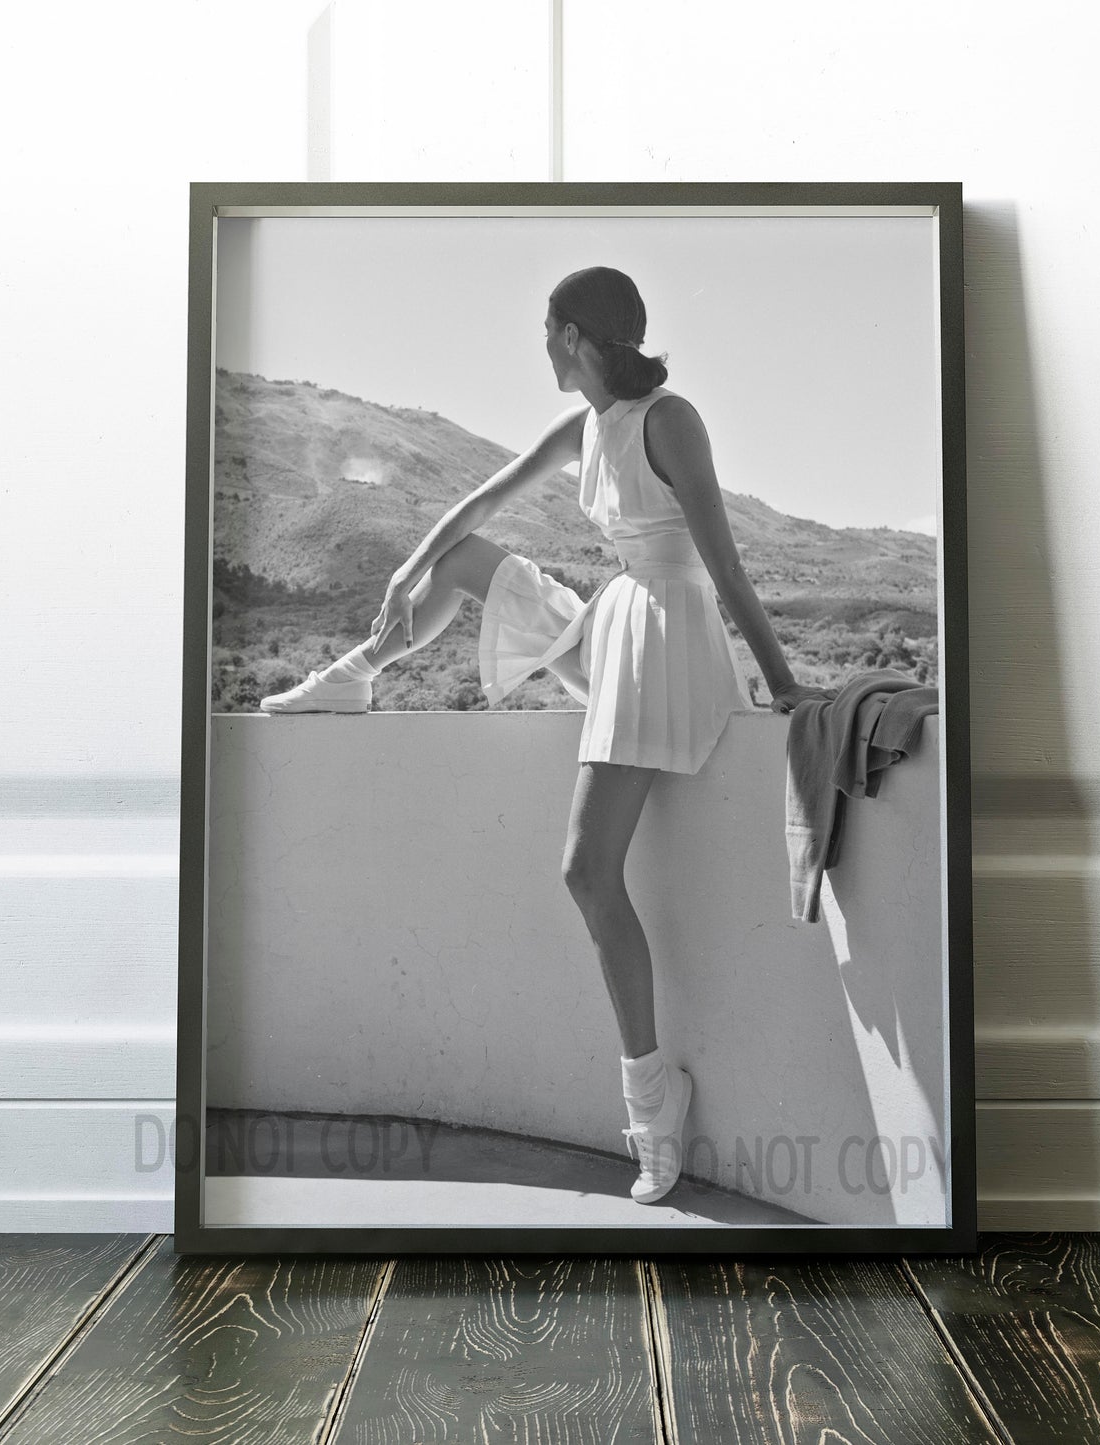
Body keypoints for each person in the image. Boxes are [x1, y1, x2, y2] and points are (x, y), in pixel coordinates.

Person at [261, 266, 828, 1205]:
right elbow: (479, 505)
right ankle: (353, 677)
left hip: (667, 638)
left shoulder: (669, 420)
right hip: (618, 624)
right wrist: (409, 565)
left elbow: (722, 560)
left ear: (573, 337)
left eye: (545, 329)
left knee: (584, 870)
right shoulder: (583, 428)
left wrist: (782, 685)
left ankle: (653, 1102)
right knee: (465, 562)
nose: (540, 344)